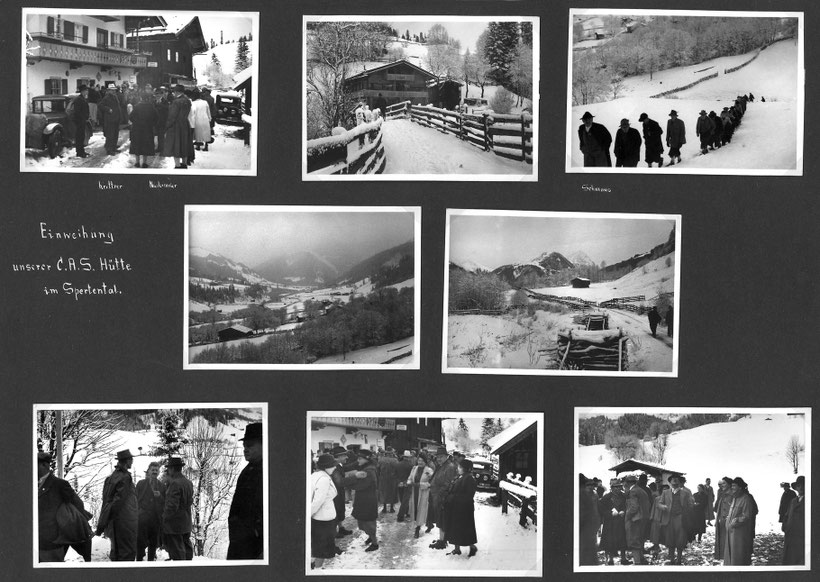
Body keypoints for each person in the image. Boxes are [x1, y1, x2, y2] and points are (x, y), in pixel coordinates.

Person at [37, 452, 93, 562]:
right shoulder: (31, 484)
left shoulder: (60, 484)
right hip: (35, 541)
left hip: (52, 543)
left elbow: (78, 505)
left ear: (44, 465)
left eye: (35, 465)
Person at [228, 422, 264, 559]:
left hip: (254, 545)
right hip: (240, 541)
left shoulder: (267, 471)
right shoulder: (248, 469)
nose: (245, 450)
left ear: (264, 445)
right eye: (244, 446)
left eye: (250, 445)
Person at [97, 449, 138, 561]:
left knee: (116, 552)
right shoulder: (125, 477)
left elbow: (107, 501)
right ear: (127, 461)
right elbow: (119, 501)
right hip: (125, 521)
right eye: (131, 459)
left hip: (114, 522)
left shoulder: (111, 477)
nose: (132, 462)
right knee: (127, 553)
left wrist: (106, 520)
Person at [342, 449, 380, 551]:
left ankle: (375, 543)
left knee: (369, 522)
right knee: (364, 520)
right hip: (365, 498)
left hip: (367, 499)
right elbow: (353, 467)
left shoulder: (368, 471)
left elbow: (361, 485)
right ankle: (370, 537)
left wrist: (348, 484)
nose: (358, 461)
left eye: (360, 459)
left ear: (366, 459)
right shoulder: (367, 467)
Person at [442, 459, 478, 557]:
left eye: (459, 467)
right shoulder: (460, 477)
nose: (458, 468)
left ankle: (472, 547)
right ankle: (457, 549)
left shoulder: (469, 479)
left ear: (465, 468)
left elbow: (468, 495)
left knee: (465, 529)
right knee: (455, 528)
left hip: (464, 509)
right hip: (456, 507)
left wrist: (453, 497)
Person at [162, 457, 194, 560]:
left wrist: (163, 518)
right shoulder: (188, 482)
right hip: (186, 523)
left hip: (174, 526)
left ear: (172, 469)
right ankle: (189, 568)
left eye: (169, 469)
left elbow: (172, 506)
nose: (168, 471)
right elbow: (190, 501)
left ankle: (180, 570)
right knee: (187, 550)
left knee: (177, 554)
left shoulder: (175, 483)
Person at [656, 475, 693, 565]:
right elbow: (659, 503)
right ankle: (672, 559)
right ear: (670, 482)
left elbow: (690, 505)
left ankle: (679, 560)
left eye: (677, 480)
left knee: (680, 539)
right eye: (673, 480)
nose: (675, 481)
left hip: (680, 518)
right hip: (669, 519)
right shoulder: (665, 492)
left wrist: (686, 512)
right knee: (670, 538)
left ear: (680, 482)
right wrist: (663, 506)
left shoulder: (685, 493)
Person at [311, 454, 339, 569]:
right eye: (332, 465)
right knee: (321, 550)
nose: (335, 467)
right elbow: (318, 501)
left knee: (317, 547)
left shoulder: (315, 475)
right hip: (324, 519)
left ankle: (313, 565)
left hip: (320, 517)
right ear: (325, 466)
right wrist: (308, 514)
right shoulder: (324, 479)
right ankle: (316, 571)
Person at [428, 446, 458, 550]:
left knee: (443, 520)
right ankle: (442, 539)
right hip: (438, 497)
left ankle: (443, 541)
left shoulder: (449, 467)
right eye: (438, 457)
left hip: (443, 498)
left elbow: (448, 484)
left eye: (441, 457)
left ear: (446, 457)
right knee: (440, 520)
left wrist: (440, 495)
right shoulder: (441, 466)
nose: (439, 459)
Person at [723, 476, 757, 565]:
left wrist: (736, 520)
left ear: (740, 487)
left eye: (734, 486)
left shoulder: (746, 499)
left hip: (739, 534)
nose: (732, 488)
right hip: (731, 532)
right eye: (732, 486)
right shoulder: (735, 498)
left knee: (738, 556)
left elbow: (747, 516)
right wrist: (728, 519)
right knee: (730, 555)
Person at [136, 461, 165, 561]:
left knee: (153, 544)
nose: (154, 472)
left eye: (156, 470)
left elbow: (165, 502)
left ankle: (151, 563)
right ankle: (139, 563)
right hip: (142, 519)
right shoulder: (141, 484)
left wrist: (160, 496)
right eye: (153, 470)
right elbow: (135, 499)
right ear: (148, 471)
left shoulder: (162, 486)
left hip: (155, 519)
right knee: (140, 543)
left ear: (159, 472)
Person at [599, 479, 628, 565]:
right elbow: (601, 508)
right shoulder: (606, 497)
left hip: (621, 522)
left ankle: (623, 558)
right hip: (610, 523)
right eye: (615, 487)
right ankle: (610, 559)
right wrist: (610, 513)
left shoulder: (624, 496)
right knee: (610, 541)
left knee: (622, 540)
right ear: (611, 488)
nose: (617, 489)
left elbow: (627, 506)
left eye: (619, 487)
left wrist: (624, 511)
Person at [163, 85, 192, 169]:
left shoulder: (176, 102)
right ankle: (184, 164)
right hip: (185, 124)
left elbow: (172, 116)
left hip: (176, 126)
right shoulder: (187, 100)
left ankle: (177, 165)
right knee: (184, 144)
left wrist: (167, 127)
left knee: (176, 145)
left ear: (176, 92)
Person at [624, 474, 650, 565]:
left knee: (634, 541)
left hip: (635, 519)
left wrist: (627, 516)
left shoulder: (633, 491)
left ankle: (638, 563)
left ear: (627, 483)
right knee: (640, 539)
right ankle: (642, 559)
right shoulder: (641, 490)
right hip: (643, 518)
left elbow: (634, 507)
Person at [407, 454, 434, 539]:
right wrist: (409, 482)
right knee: (415, 509)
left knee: (421, 510)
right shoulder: (414, 468)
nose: (420, 462)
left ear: (425, 462)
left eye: (422, 461)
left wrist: (420, 484)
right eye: (419, 460)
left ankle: (417, 529)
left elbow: (431, 483)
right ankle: (429, 524)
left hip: (423, 493)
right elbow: (410, 478)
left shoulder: (429, 470)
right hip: (414, 492)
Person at [128, 92, 158, 168]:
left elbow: (131, 117)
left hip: (137, 129)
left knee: (137, 145)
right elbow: (156, 117)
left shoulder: (137, 106)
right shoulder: (151, 107)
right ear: (148, 98)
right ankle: (144, 162)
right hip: (147, 129)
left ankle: (137, 162)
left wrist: (136, 122)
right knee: (146, 145)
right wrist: (151, 124)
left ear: (141, 98)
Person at [329, 447, 353, 539]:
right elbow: (340, 482)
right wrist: (355, 477)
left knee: (340, 510)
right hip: (335, 494)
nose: (347, 457)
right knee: (337, 510)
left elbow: (346, 468)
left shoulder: (338, 465)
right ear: (338, 457)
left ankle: (341, 528)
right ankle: (334, 532)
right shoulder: (334, 467)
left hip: (339, 492)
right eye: (344, 455)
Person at [782, 476, 805, 565]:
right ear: (796, 487)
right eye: (799, 485)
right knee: (789, 558)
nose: (801, 487)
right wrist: (785, 525)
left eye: (803, 485)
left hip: (801, 536)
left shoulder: (810, 501)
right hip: (790, 534)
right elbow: (787, 514)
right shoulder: (793, 501)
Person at [579, 474, 601, 565]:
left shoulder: (594, 494)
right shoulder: (583, 493)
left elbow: (597, 506)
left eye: (592, 485)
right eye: (589, 485)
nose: (590, 487)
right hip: (589, 519)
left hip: (593, 517)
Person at [98, 85, 121, 155]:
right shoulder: (106, 98)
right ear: (109, 91)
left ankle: (113, 147)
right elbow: (100, 105)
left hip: (116, 118)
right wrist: (108, 109)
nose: (114, 91)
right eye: (112, 90)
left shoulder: (115, 97)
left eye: (114, 90)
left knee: (115, 134)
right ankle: (109, 150)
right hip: (110, 119)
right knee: (110, 135)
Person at [713, 477, 733, 560]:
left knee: (728, 540)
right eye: (721, 483)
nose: (722, 485)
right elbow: (717, 507)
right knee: (722, 539)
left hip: (729, 521)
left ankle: (728, 557)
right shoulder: (722, 494)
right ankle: (723, 556)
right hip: (721, 520)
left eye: (724, 483)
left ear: (729, 484)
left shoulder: (732, 495)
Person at [70, 85, 90, 158]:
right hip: (79, 120)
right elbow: (77, 111)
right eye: (86, 90)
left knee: (82, 136)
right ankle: (79, 152)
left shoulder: (83, 98)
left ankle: (82, 151)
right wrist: (83, 118)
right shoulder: (79, 99)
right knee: (79, 137)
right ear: (82, 91)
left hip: (82, 120)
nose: (87, 92)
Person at [378, 447, 399, 514]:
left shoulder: (381, 460)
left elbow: (378, 469)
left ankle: (384, 508)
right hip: (392, 479)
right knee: (392, 492)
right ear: (392, 453)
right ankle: (391, 508)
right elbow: (398, 470)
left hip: (383, 479)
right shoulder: (395, 460)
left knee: (384, 492)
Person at [395, 450, 413, 522]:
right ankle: (400, 516)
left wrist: (399, 482)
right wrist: (405, 482)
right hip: (407, 484)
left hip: (399, 484)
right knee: (405, 500)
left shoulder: (398, 464)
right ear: (408, 457)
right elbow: (411, 476)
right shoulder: (411, 465)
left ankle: (407, 512)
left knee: (403, 500)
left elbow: (395, 475)